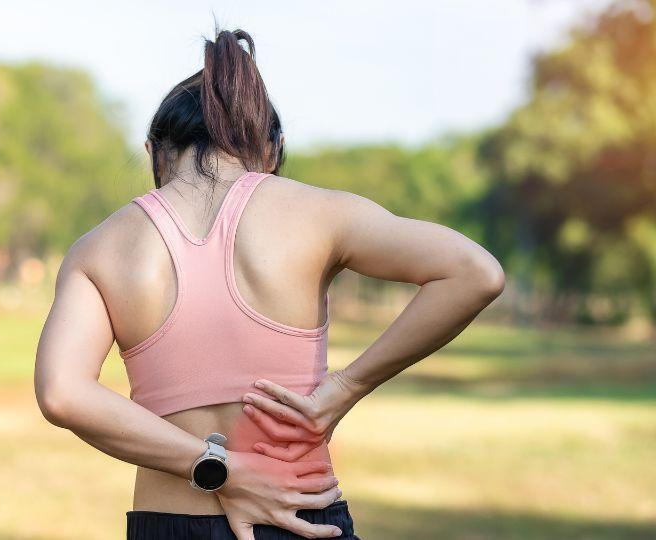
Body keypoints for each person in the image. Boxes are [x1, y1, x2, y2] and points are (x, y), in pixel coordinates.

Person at [35, 28, 504, 540]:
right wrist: (347, 387)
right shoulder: (319, 214)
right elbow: (476, 273)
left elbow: (63, 392)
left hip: (165, 523)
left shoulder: (99, 247)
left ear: (155, 151)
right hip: (298, 518)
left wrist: (213, 469)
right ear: (273, 148)